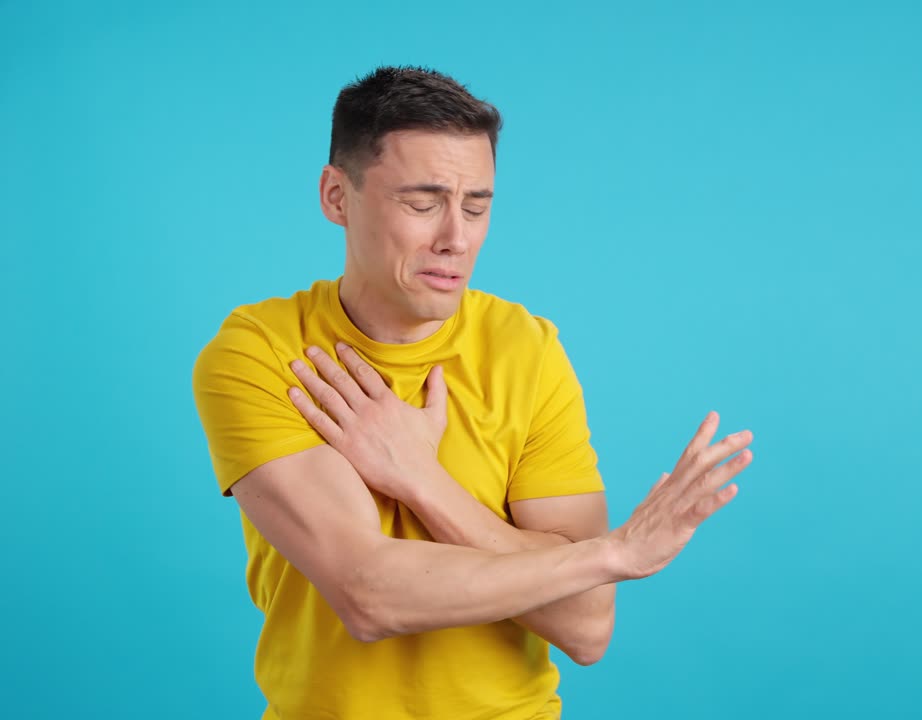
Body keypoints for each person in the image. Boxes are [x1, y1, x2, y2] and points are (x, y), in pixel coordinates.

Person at [190, 65, 754, 720]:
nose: (456, 238)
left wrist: (423, 482)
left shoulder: (527, 349)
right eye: (422, 203)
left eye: (477, 206)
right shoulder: (261, 353)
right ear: (336, 197)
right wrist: (609, 555)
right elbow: (369, 594)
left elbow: (585, 625)